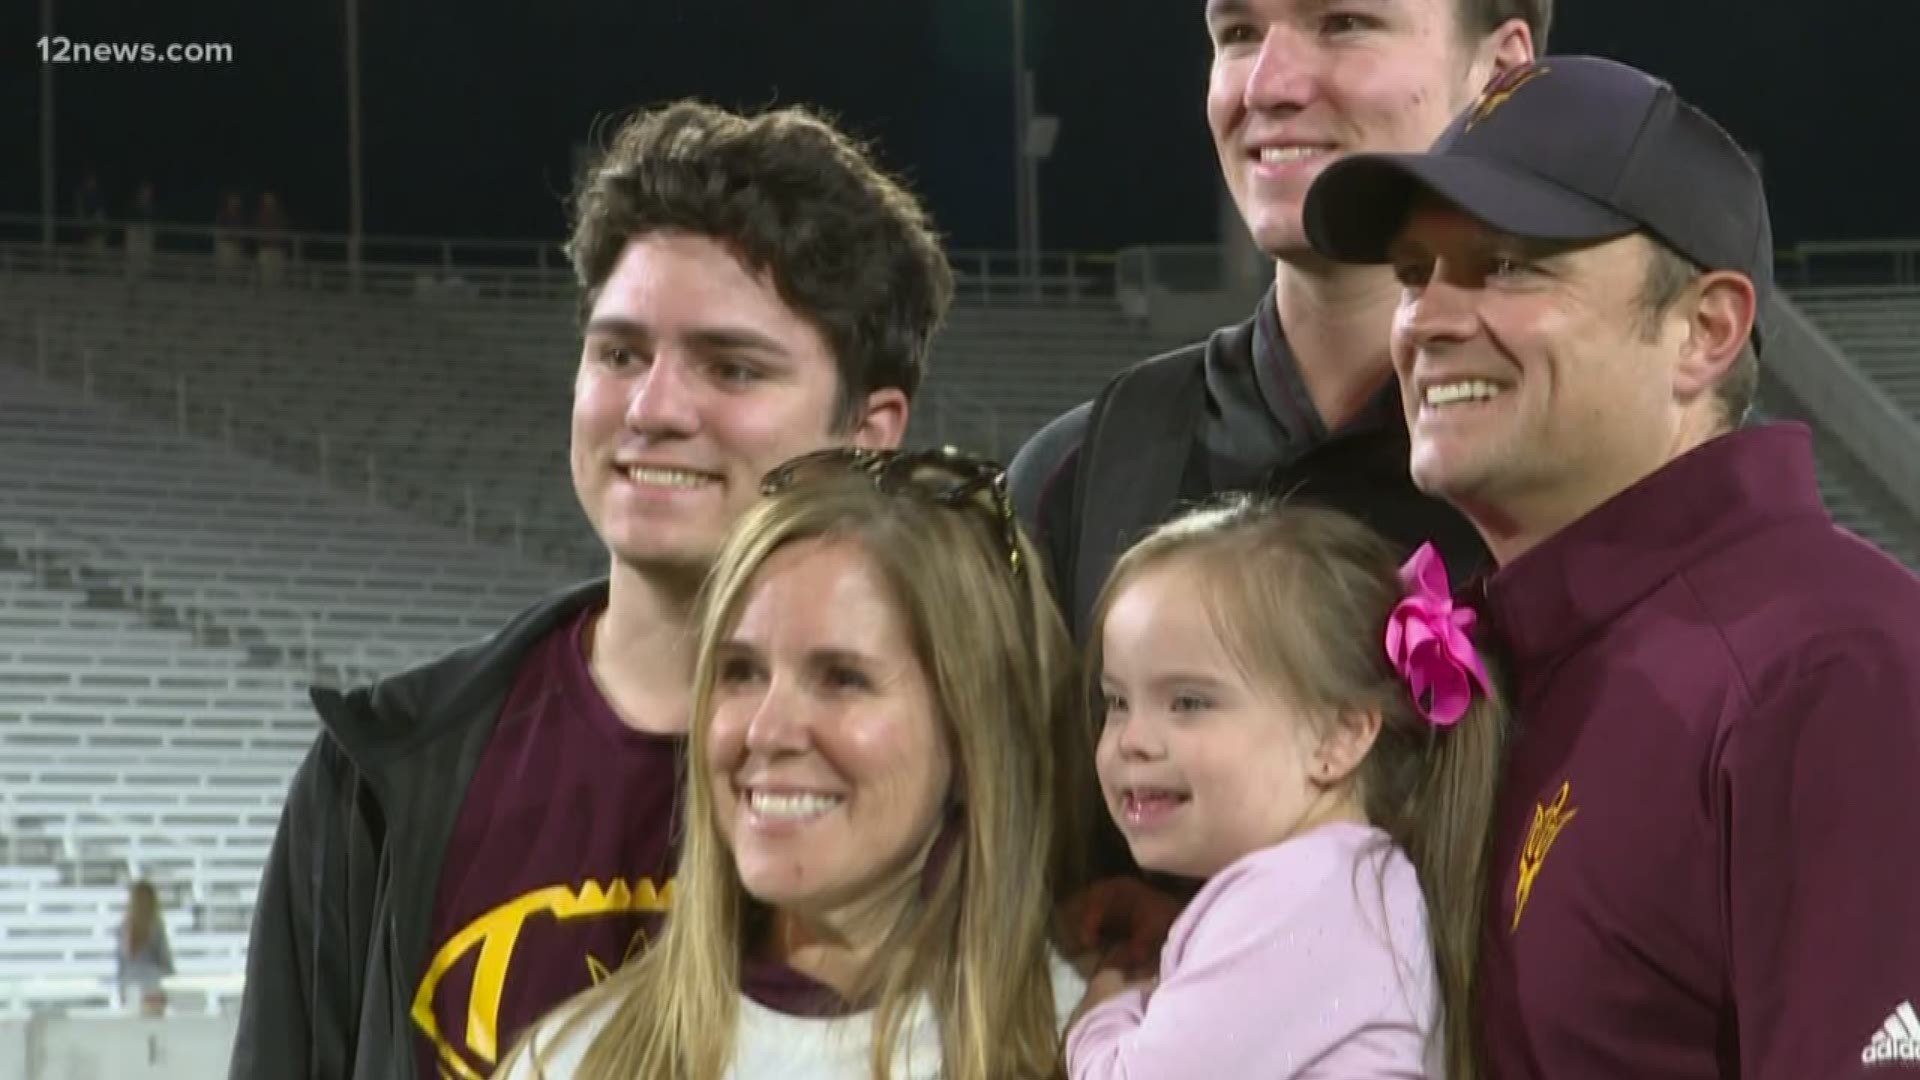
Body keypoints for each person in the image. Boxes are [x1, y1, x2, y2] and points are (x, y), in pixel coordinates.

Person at [230, 101, 954, 1080]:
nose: (653, 409)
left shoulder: (965, 782)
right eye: (619, 354)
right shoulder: (379, 774)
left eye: (731, 368)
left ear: (869, 432)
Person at [1304, 54, 1920, 1078]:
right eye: (1416, 274)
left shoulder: (1836, 665)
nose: (1429, 321)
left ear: (1704, 330)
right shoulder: (1497, 652)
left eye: (1505, 265)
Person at [498, 447, 1089, 1079]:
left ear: (975, 731)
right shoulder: (570, 1062)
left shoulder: (1105, 1052)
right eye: (741, 672)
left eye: (842, 678)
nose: (767, 730)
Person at [1009, 0, 1550, 646]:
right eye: (1238, 34)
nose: (1267, 86)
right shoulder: (1076, 480)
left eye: (1342, 23)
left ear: (1500, 71)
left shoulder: (1595, 474)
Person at [1066, 499, 1501, 1079]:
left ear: (1338, 735)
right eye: (1117, 702)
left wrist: (1106, 1004)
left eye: (1189, 703)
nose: (1132, 740)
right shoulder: (1339, 883)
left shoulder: (1300, 893)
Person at [117, 879, 175, 1018]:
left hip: (130, 986)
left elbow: (121, 963)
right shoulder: (156, 925)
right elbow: (165, 959)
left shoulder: (124, 927)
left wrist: (122, 987)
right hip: (152, 986)